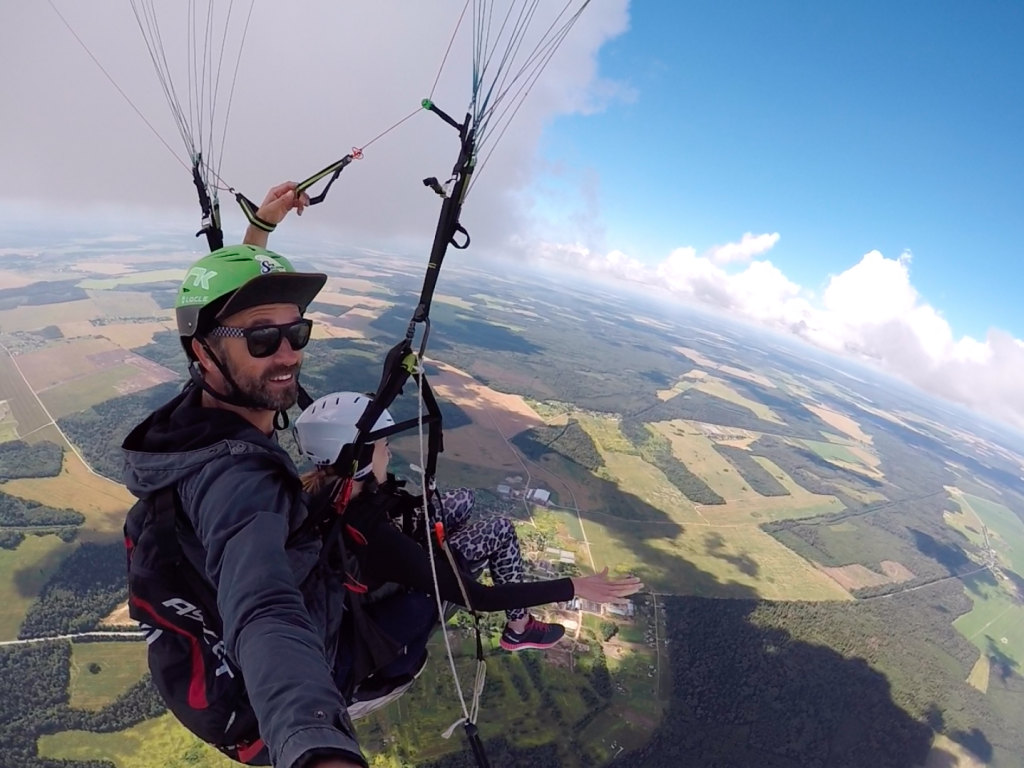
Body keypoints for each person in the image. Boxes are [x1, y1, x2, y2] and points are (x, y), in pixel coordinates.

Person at [121, 182, 387, 768]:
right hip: (267, 703)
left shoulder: (198, 411)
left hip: (218, 663)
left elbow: (236, 319)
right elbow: (264, 606)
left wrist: (260, 231)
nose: (288, 353)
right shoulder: (236, 481)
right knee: (421, 576)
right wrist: (314, 743)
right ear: (203, 354)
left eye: (297, 332)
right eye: (264, 339)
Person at [293, 391, 644, 652]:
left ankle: (460, 558)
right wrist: (574, 586)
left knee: (464, 498)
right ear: (361, 459)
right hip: (393, 578)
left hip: (380, 554)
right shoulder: (377, 536)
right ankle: (519, 628)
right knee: (500, 530)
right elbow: (479, 598)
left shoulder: (319, 491)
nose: (389, 451)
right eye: (383, 445)